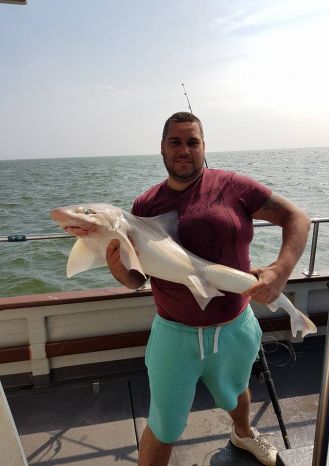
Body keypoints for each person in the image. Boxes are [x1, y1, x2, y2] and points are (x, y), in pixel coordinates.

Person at [106, 112, 311, 466]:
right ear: (162, 148)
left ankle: (244, 434)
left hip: (235, 325)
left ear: (203, 147)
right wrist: (118, 269)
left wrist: (279, 271)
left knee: (238, 392)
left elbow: (298, 218)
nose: (184, 150)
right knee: (164, 424)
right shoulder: (145, 206)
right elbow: (139, 280)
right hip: (174, 335)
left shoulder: (234, 186)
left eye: (192, 142)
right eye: (176, 142)